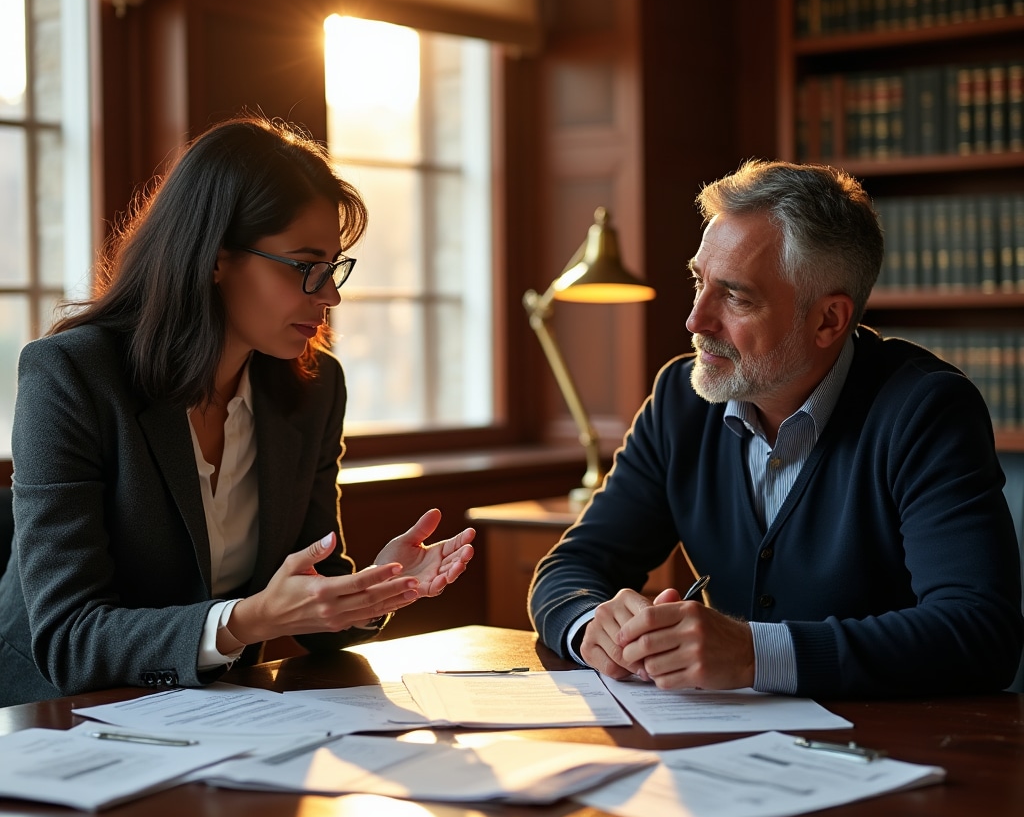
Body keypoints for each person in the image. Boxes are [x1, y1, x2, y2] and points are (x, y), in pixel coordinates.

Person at [0, 115, 475, 706]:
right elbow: (69, 639)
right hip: (52, 719)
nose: (330, 295)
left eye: (334, 268)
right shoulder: (71, 377)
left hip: (216, 717)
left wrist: (378, 586)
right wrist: (243, 622)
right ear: (216, 258)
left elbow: (305, 595)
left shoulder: (313, 388)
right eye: (306, 267)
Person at [529, 158, 1024, 697]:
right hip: (727, 746)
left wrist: (753, 654)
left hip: (892, 751)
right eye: (698, 281)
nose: (696, 319)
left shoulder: (925, 410)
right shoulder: (680, 399)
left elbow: (980, 634)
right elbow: (572, 567)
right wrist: (589, 627)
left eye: (736, 296)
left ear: (828, 320)